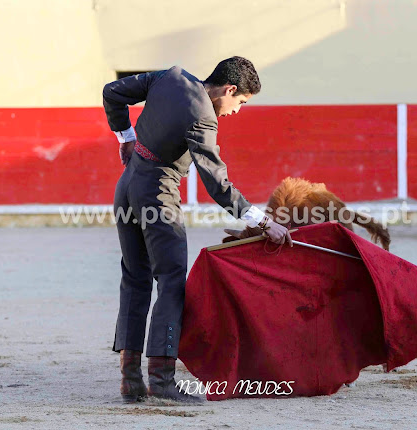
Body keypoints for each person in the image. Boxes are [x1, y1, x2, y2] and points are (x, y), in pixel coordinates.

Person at [102, 56, 292, 403]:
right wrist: (263, 221)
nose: (236, 111)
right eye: (241, 102)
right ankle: (161, 380)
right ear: (229, 89)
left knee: (135, 278)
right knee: (171, 280)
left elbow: (112, 91)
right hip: (157, 193)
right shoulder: (203, 116)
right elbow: (218, 185)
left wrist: (125, 136)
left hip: (127, 185)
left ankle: (130, 381)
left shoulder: (170, 77)